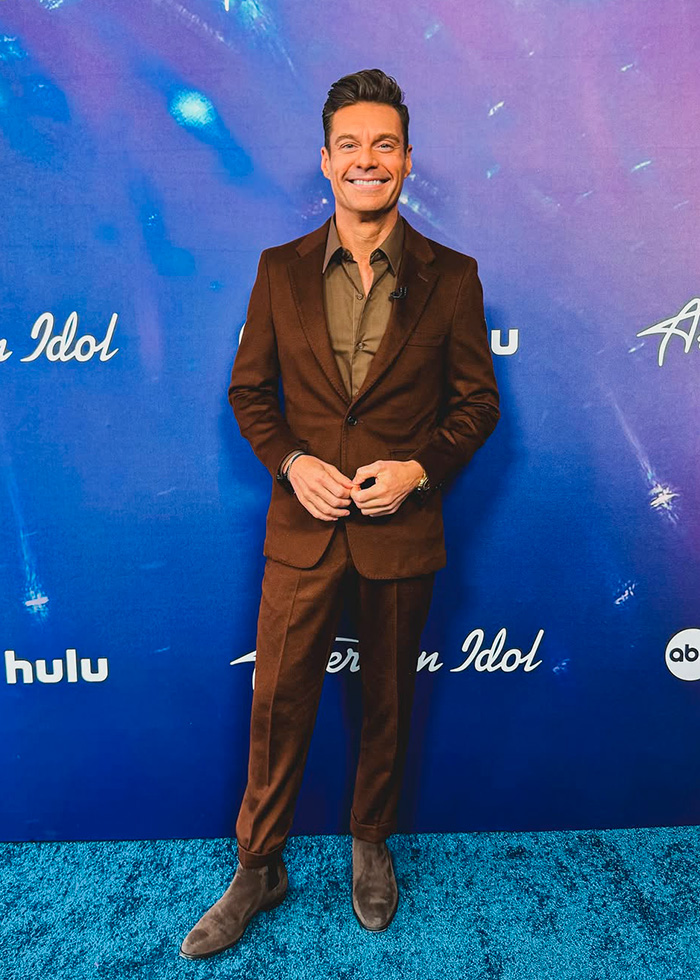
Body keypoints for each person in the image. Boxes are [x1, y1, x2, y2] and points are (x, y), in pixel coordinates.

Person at [179, 67, 500, 960]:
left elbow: (478, 404)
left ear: (407, 159)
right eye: (350, 144)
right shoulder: (278, 270)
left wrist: (418, 470)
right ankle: (259, 867)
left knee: (388, 702)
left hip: (402, 532)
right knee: (277, 703)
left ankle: (371, 845)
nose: (368, 159)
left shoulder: (455, 277)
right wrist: (293, 463)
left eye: (384, 144)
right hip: (303, 531)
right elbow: (250, 394)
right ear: (325, 161)